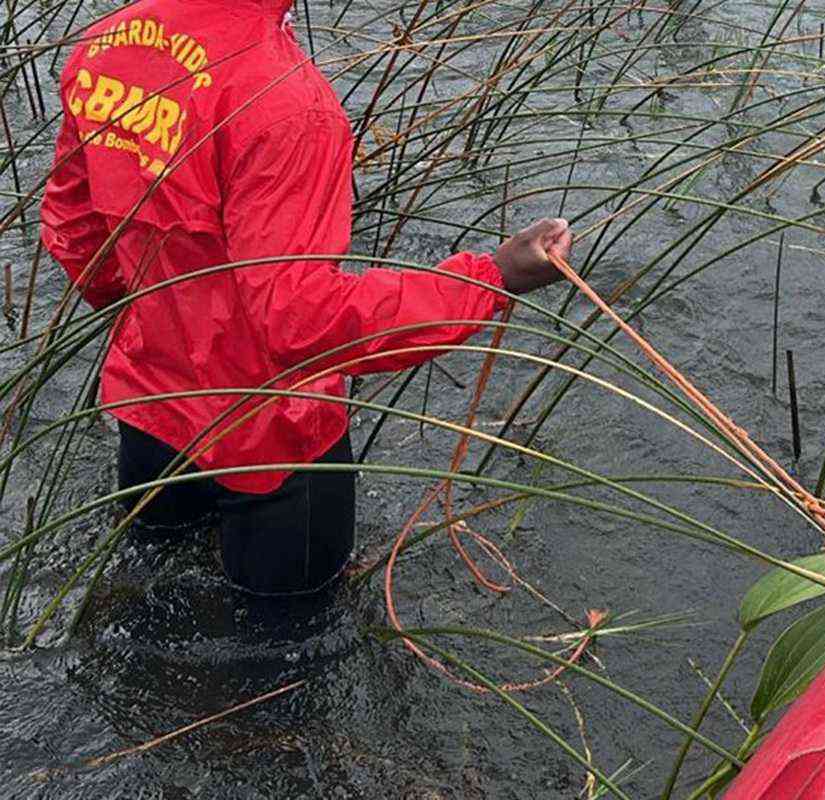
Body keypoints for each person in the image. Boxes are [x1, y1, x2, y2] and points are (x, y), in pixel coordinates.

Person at [39, 0, 572, 596]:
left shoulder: (106, 43)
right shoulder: (291, 104)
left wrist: (159, 325)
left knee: (145, 597)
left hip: (150, 409)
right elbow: (300, 321)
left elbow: (75, 232)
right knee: (292, 640)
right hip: (274, 438)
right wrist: (487, 280)